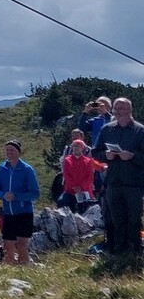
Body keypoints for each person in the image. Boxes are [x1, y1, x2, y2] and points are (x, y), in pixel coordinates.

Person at [92, 97, 144, 256]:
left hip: (134, 184)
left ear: (130, 110)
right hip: (113, 183)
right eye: (116, 108)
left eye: (122, 108)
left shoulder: (140, 131)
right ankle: (118, 252)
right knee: (116, 220)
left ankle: (134, 252)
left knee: (133, 220)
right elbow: (95, 152)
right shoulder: (107, 130)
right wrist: (105, 156)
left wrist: (132, 156)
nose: (118, 111)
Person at [0, 139, 39, 267]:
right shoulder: (1, 169)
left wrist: (16, 197)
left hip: (24, 212)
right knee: (8, 244)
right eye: (7, 150)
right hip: (8, 212)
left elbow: (35, 193)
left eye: (12, 150)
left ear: (18, 152)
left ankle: (23, 268)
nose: (9, 152)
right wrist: (3, 195)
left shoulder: (27, 169)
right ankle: (10, 270)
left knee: (22, 244)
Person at [59, 138, 102, 214]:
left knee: (85, 211)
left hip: (85, 191)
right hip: (70, 191)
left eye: (79, 146)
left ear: (82, 148)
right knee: (64, 206)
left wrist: (81, 187)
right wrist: (75, 187)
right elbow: (66, 175)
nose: (76, 148)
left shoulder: (88, 161)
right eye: (75, 146)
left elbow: (90, 177)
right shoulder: (67, 160)